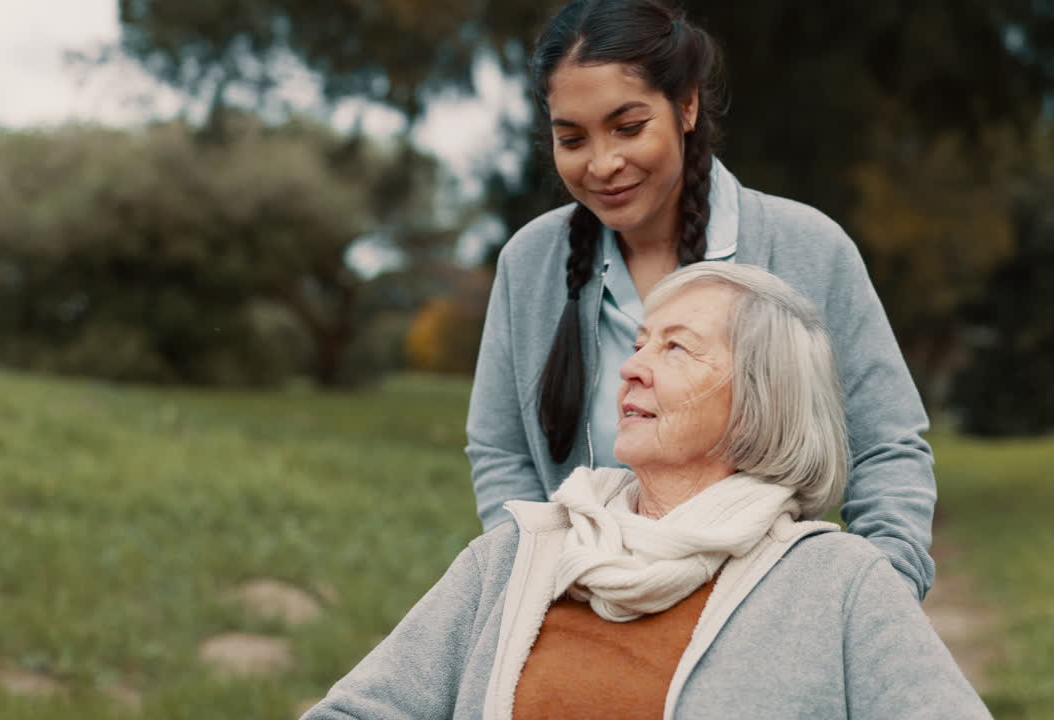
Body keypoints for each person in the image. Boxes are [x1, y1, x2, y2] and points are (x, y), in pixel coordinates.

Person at [302, 263, 988, 719]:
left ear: (758, 401)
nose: (630, 369)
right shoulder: (518, 555)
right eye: (637, 344)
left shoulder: (837, 583)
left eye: (675, 349)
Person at [467, 0, 937, 599]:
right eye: (572, 138)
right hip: (586, 612)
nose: (604, 163)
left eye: (629, 127)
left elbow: (886, 445)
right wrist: (542, 588)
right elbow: (500, 451)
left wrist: (885, 592)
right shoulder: (530, 263)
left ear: (686, 105)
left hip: (765, 613)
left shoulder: (807, 248)